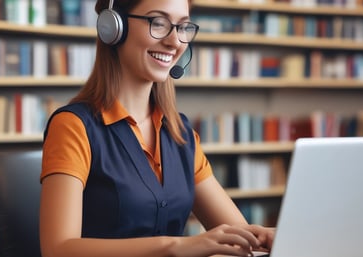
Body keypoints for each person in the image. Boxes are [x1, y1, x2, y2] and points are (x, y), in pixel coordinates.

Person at [39, 0, 275, 256]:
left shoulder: (181, 134)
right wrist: (175, 246)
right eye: (158, 23)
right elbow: (58, 249)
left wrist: (263, 236)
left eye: (183, 27)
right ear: (113, 27)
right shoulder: (74, 127)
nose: (175, 42)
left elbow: (235, 232)